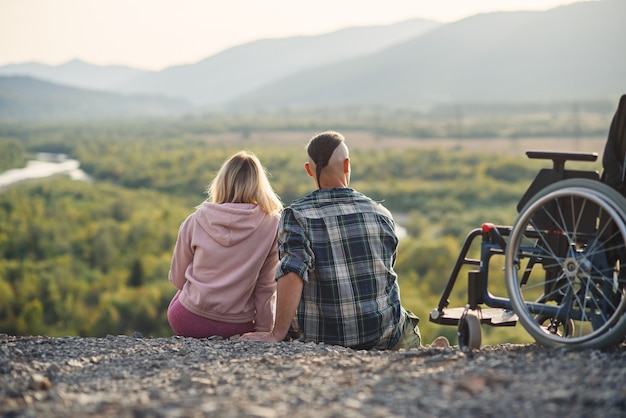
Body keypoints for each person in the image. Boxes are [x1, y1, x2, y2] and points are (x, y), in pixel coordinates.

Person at [241, 131, 421, 350]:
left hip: (322, 338)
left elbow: (291, 272)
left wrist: (277, 333)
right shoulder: (381, 213)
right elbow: (386, 271)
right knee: (408, 320)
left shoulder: (297, 216)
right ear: (347, 166)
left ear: (309, 170)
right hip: (382, 336)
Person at [167, 150, 283, 338]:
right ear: (260, 185)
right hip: (236, 326)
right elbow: (266, 288)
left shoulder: (195, 220)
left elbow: (177, 279)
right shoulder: (273, 225)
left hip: (187, 320)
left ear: (221, 182)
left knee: (183, 292)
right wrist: (263, 331)